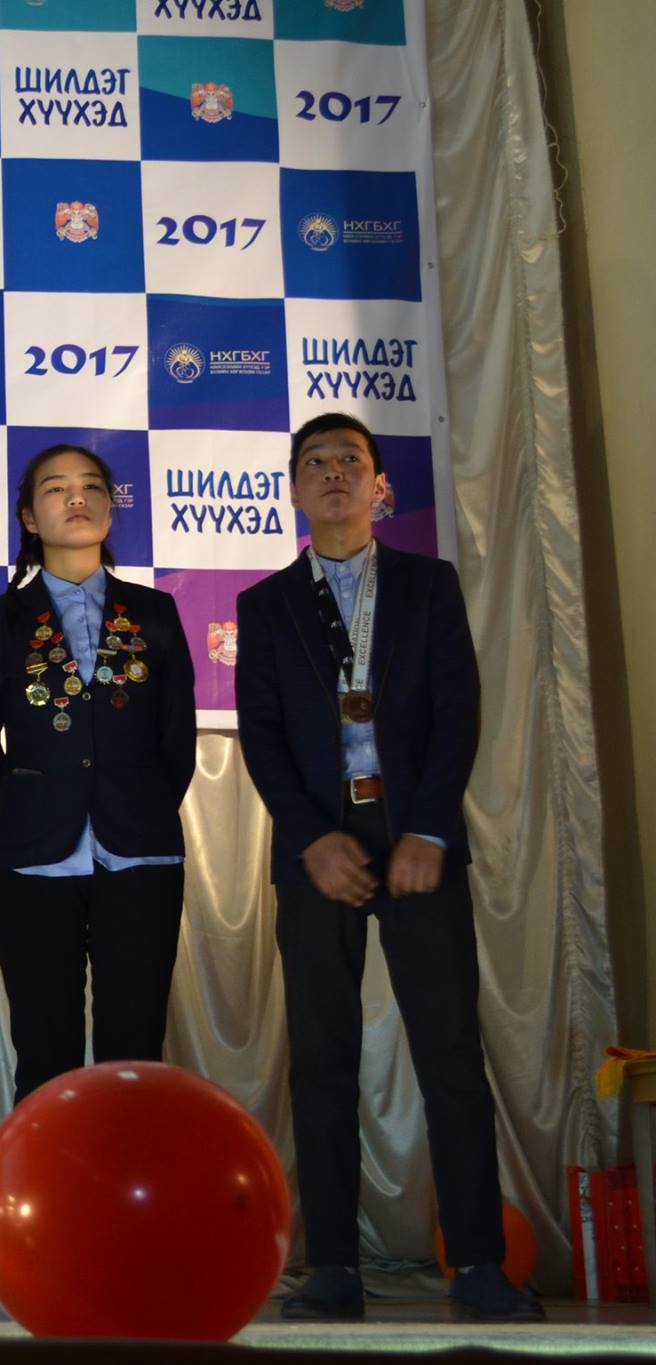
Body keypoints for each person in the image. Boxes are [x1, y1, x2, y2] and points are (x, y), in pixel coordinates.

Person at [235, 412, 541, 1322]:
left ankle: (478, 1264)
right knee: (321, 1059)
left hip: (417, 842)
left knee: (450, 1053)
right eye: (316, 462)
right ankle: (333, 1266)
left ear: (378, 486)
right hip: (318, 849)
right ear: (295, 489)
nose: (334, 473)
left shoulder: (427, 583)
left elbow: (457, 713)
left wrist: (430, 829)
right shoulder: (264, 604)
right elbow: (264, 736)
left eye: (351, 461)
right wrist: (309, 838)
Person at [0, 443, 195, 1104]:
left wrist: (141, 809)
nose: (77, 498)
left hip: (140, 855)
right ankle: (49, 1173)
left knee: (135, 1051)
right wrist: (15, 829)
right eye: (56, 488)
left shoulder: (155, 612)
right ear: (30, 517)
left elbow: (177, 742)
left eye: (91, 487)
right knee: (45, 1050)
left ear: (111, 511)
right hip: (33, 861)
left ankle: (129, 1174)